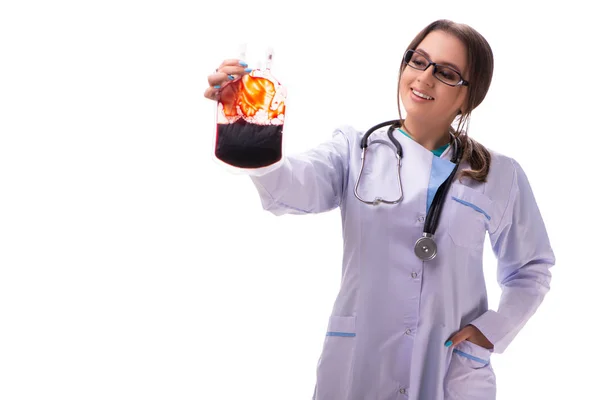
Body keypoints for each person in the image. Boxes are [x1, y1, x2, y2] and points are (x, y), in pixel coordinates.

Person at [204, 19, 555, 400]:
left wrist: (492, 330)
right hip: (361, 360)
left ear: (469, 98)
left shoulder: (499, 174)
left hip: (449, 368)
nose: (425, 77)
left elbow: (531, 268)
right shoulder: (355, 151)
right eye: (418, 61)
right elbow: (289, 188)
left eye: (447, 72)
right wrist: (252, 126)